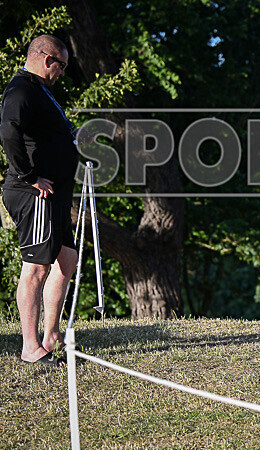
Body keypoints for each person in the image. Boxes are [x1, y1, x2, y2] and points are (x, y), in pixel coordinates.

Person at [1, 35, 79, 367]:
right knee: (36, 267)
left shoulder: (41, 90)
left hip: (55, 194)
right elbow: (8, 131)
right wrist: (30, 176)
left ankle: (51, 335)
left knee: (67, 259)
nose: (62, 72)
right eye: (61, 65)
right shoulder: (21, 89)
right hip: (34, 193)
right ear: (48, 59)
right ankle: (30, 347)